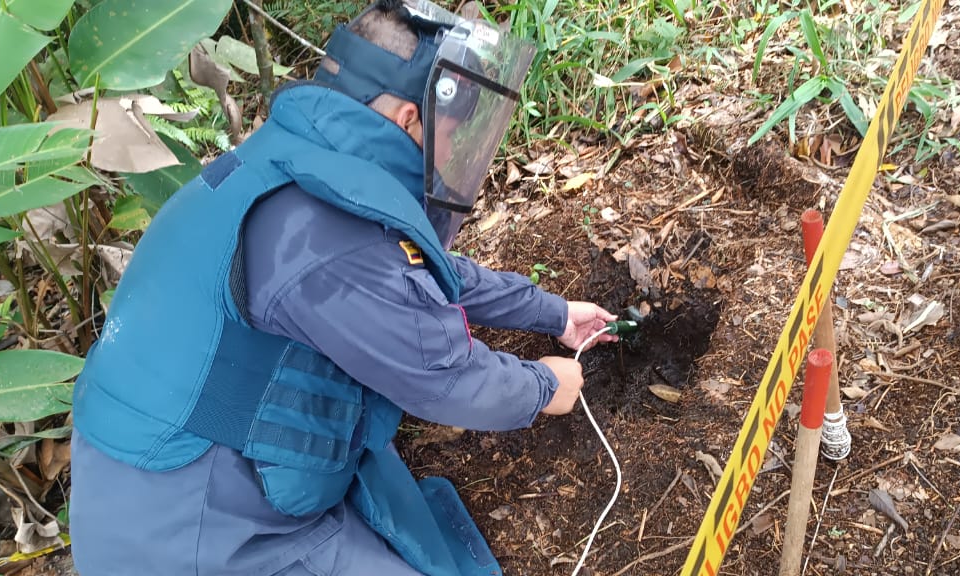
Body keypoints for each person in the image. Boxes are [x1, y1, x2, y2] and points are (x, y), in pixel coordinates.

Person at [67, 1, 620, 574]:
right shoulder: (318, 234)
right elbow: (448, 378)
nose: (454, 155)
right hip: (184, 525)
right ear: (409, 119)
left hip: (172, 470)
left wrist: (551, 314)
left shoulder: (298, 165)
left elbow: (417, 275)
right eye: (453, 136)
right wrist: (543, 386)